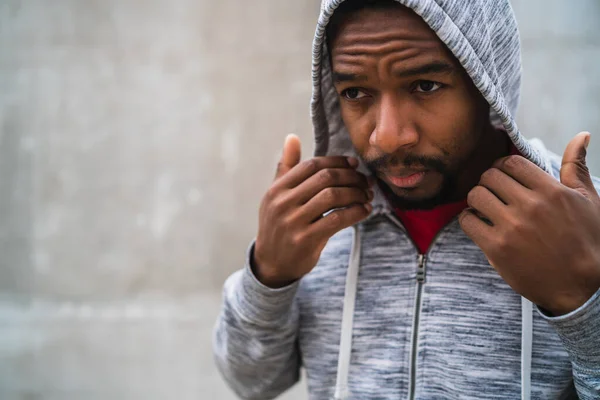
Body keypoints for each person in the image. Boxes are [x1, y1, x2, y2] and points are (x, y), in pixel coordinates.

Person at [213, 0, 600, 398]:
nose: (388, 136)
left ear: (487, 81)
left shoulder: (578, 221)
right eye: (356, 92)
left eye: (424, 86)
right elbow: (252, 380)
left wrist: (584, 302)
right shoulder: (319, 223)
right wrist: (268, 274)